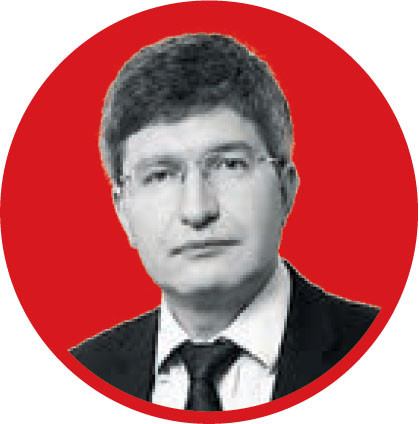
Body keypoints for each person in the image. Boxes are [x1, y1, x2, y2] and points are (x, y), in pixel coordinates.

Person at [70, 33, 379, 411]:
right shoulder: (77, 376)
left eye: (230, 165)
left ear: (285, 189)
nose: (197, 210)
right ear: (122, 212)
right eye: (160, 175)